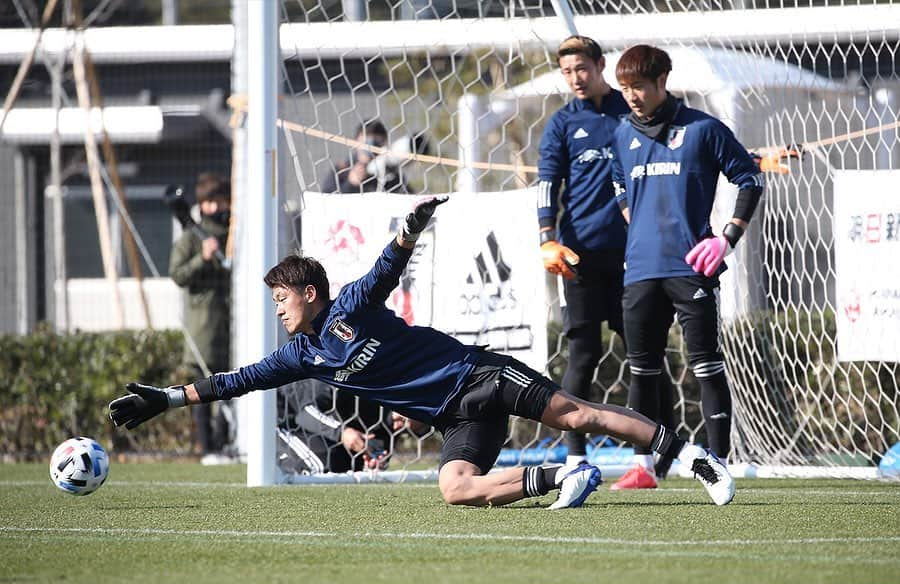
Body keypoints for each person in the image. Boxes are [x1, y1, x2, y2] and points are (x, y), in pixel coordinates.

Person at [111, 196, 734, 508]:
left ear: (309, 292)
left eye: (282, 297)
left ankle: (691, 457)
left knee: (579, 414)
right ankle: (567, 475)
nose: (278, 308)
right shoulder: (300, 354)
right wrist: (166, 397)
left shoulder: (350, 305)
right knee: (454, 488)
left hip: (477, 375)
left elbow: (386, 268)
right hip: (456, 417)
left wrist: (409, 230)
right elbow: (235, 381)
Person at [609, 44, 765, 476]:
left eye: (639, 86)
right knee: (641, 371)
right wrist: (635, 220)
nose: (632, 95)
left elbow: (750, 177)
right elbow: (618, 179)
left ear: (663, 81)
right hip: (639, 269)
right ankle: (643, 467)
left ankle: (719, 462)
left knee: (706, 366)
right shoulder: (622, 134)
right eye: (625, 88)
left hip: (691, 267)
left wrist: (727, 238)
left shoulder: (703, 130)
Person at [536, 35, 675, 490]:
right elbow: (547, 183)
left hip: (636, 257)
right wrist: (547, 238)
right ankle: (575, 458)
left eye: (582, 69)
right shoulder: (561, 124)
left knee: (647, 355)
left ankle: (656, 458)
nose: (576, 79)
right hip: (578, 260)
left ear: (600, 66)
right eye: (567, 72)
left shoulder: (629, 111)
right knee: (583, 355)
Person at [168, 172, 234, 465]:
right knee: (204, 387)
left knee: (234, 385)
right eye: (213, 201)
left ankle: (225, 444)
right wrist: (203, 258)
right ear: (203, 204)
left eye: (223, 200)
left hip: (232, 323)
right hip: (204, 326)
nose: (219, 207)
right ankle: (209, 449)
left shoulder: (233, 233)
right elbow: (178, 274)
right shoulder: (191, 238)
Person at [276, 379, 419, 474]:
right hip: (284, 421)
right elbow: (305, 414)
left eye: (407, 430)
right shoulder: (352, 377)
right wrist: (342, 432)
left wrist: (375, 462)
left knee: (350, 471)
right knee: (319, 468)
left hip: (324, 437)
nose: (400, 427)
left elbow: (380, 452)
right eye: (403, 419)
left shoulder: (391, 425)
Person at [320, 120, 408, 195]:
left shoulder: (392, 174)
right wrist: (351, 184)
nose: (370, 143)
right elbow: (327, 201)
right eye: (366, 137)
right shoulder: (341, 170)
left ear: (384, 142)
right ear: (356, 141)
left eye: (376, 139)